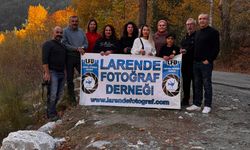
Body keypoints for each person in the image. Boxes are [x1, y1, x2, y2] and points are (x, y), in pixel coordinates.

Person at [186, 13, 220, 113]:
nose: (202, 20)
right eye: (200, 19)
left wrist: (209, 60)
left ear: (207, 20)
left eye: (204, 19)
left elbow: (216, 48)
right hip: (195, 63)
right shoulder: (198, 33)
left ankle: (207, 105)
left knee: (207, 84)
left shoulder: (213, 32)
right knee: (197, 84)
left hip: (206, 63)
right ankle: (197, 104)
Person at [62, 15, 88, 105]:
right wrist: (76, 48)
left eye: (76, 21)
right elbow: (64, 44)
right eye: (72, 21)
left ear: (78, 22)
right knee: (70, 79)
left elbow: (86, 43)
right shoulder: (65, 31)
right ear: (69, 22)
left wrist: (82, 48)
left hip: (80, 57)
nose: (74, 23)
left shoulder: (81, 31)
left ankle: (87, 96)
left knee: (85, 76)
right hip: (69, 57)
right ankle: (72, 99)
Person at [42, 26, 67, 121]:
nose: (59, 34)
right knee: (52, 94)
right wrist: (47, 73)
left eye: (61, 33)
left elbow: (64, 61)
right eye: (57, 32)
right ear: (53, 32)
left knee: (59, 95)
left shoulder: (63, 46)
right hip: (52, 72)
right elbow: (44, 60)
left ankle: (52, 111)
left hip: (61, 73)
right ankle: (51, 115)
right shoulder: (47, 44)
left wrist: (65, 73)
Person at [180, 18, 196, 106]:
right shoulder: (185, 37)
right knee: (185, 83)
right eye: (188, 24)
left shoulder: (197, 36)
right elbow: (181, 46)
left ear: (194, 25)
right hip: (185, 64)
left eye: (191, 24)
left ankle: (196, 101)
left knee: (195, 84)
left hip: (194, 63)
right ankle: (185, 100)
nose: (189, 26)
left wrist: (187, 51)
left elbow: (197, 49)